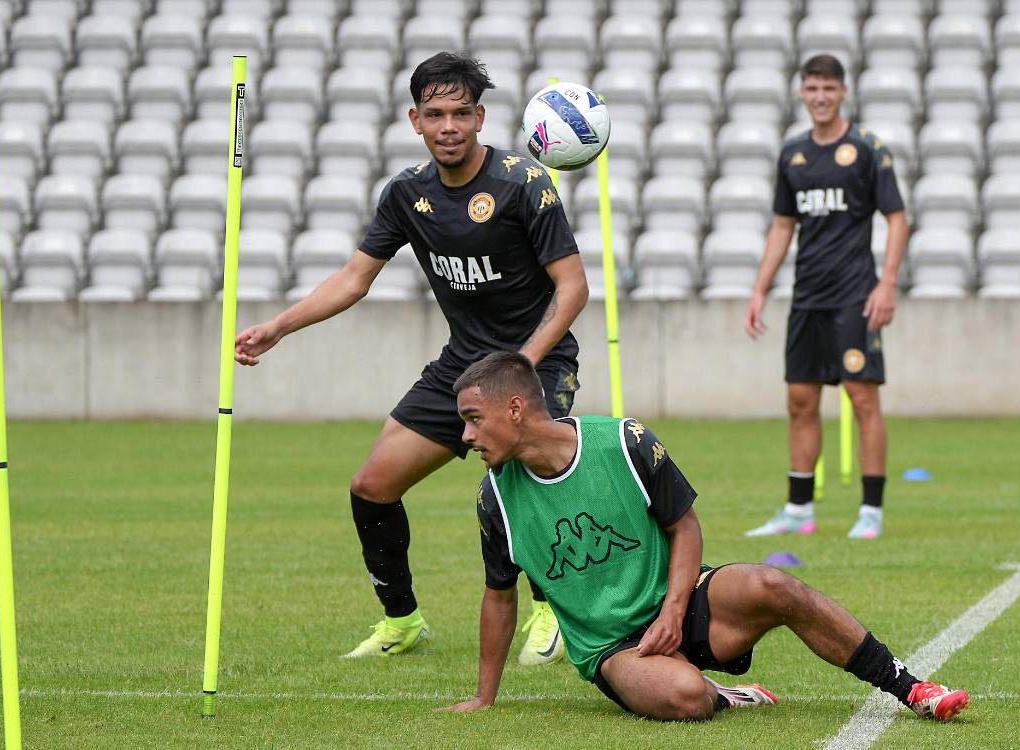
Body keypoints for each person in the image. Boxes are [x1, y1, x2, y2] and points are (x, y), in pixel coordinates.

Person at [234, 53, 589, 662]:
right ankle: (403, 622)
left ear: (480, 118)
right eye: (434, 115)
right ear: (414, 121)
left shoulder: (524, 183)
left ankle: (548, 609)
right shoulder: (405, 194)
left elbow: (573, 288)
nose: (447, 126)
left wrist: (523, 363)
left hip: (538, 362)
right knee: (372, 487)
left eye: (459, 113)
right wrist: (280, 326)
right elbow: (353, 278)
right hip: (462, 368)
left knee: (515, 485)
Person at [442, 352, 969, 722]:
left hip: (684, 601)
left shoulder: (624, 442)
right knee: (686, 697)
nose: (465, 437)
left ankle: (912, 688)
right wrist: (484, 698)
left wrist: (673, 612)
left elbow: (684, 525)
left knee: (774, 585)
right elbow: (499, 596)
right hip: (613, 648)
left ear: (514, 409)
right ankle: (730, 696)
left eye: (473, 419)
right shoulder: (495, 499)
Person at [743, 54, 909, 540]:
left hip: (855, 296)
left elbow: (896, 217)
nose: (820, 97)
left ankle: (871, 511)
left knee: (862, 398)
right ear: (801, 92)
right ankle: (798, 510)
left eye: (828, 89)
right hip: (808, 298)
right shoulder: (792, 154)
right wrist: (759, 290)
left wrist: (888, 282)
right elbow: (782, 226)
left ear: (843, 93)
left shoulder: (866, 149)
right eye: (812, 88)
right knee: (799, 400)